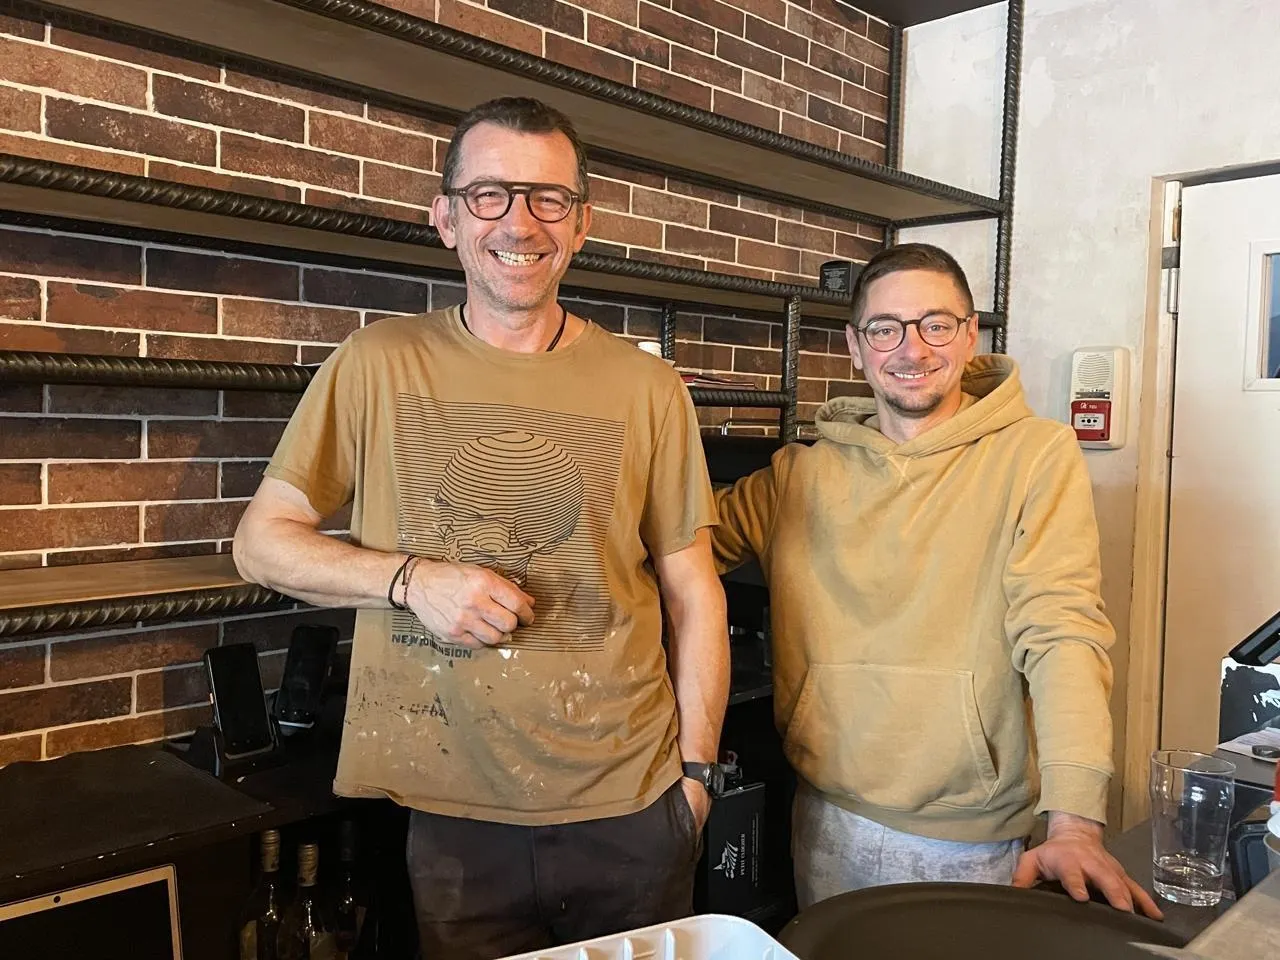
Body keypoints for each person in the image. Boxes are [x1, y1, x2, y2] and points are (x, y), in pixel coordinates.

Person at [232, 97, 730, 958]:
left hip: (633, 802)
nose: (521, 222)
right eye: (490, 194)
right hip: (453, 814)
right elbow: (261, 542)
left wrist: (696, 775)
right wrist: (410, 580)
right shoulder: (377, 363)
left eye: (549, 198)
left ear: (581, 224)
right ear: (447, 219)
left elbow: (694, 590)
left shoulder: (649, 389)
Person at [712, 243, 1162, 919]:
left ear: (970, 334)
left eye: (936, 324)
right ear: (855, 347)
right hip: (825, 814)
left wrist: (1074, 821)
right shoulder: (797, 475)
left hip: (971, 837)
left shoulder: (1035, 455)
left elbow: (1062, 630)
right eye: (885, 328)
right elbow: (670, 547)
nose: (912, 348)